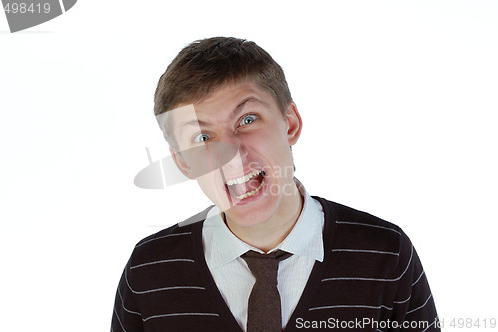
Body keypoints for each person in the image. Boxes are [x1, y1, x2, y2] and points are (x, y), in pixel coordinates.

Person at [111, 37, 440, 332]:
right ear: (183, 161)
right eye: (203, 137)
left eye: (248, 120)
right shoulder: (148, 271)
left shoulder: (386, 254)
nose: (232, 156)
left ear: (290, 123)